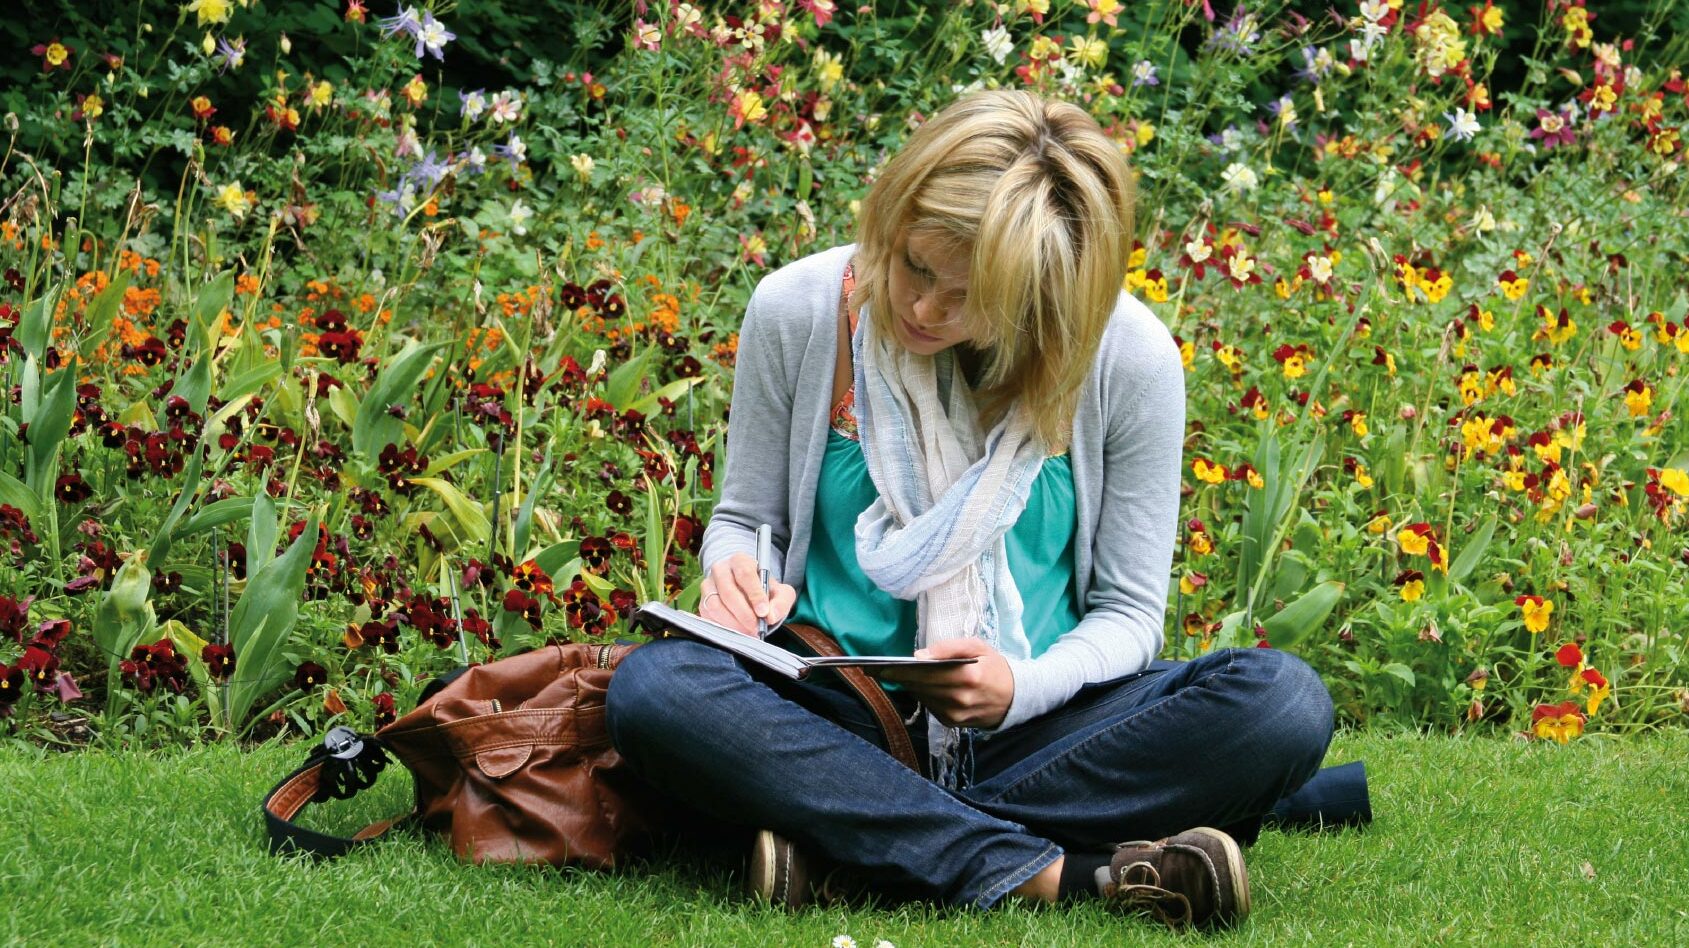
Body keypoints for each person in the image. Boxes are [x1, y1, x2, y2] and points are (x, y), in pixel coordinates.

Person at [606, 89, 1343, 930]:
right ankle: (1063, 876)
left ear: (1045, 290)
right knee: (656, 689)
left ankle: (850, 838)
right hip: (833, 708)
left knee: (1280, 702)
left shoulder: (1126, 359)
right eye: (913, 266)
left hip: (1038, 727)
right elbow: (745, 518)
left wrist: (1017, 689)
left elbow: (1128, 615)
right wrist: (735, 576)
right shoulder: (799, 309)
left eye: (965, 296)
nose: (922, 309)